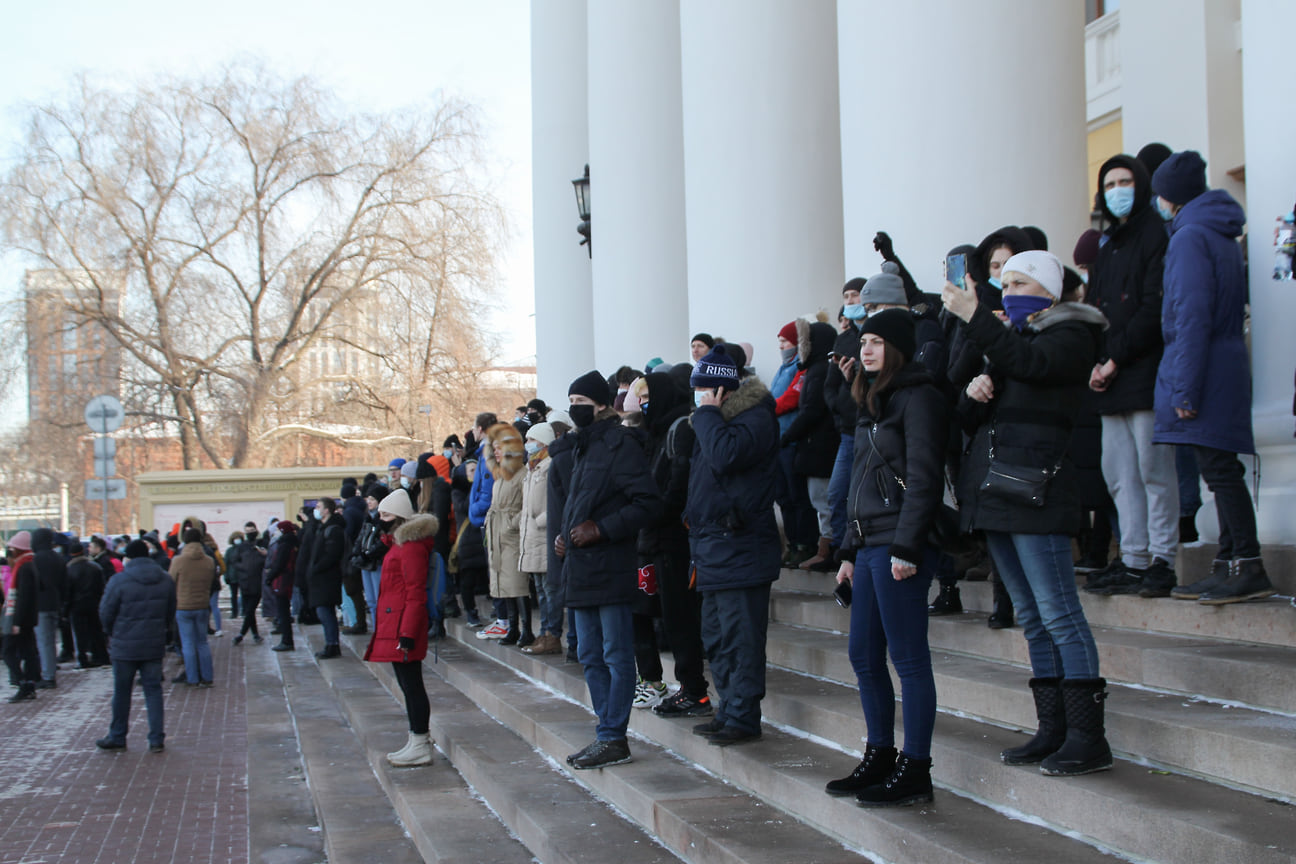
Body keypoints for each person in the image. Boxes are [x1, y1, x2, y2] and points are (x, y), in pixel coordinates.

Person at [943, 250, 1113, 776]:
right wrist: (976, 391)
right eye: (1005, 280)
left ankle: (1088, 736)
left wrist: (977, 321)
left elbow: (1034, 368)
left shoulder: (1070, 335)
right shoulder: (1013, 342)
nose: (1008, 289)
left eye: (1020, 281)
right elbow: (969, 411)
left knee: (1061, 614)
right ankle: (1054, 728)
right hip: (997, 494)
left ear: (1049, 292)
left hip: (1039, 494)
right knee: (1034, 619)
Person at [826, 309, 947, 806]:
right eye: (863, 342)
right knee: (863, 655)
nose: (866, 349)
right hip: (870, 544)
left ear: (896, 347)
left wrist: (907, 545)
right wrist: (849, 551)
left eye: (876, 341)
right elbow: (857, 482)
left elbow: (924, 477)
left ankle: (916, 766)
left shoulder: (919, 397)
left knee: (909, 659)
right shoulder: (870, 399)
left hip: (901, 544)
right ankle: (880, 754)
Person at [1151, 150, 1276, 604]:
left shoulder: (1189, 238)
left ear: (1169, 197)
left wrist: (1184, 389)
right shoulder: (1214, 232)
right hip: (1222, 363)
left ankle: (1247, 563)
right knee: (1219, 467)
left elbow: (1191, 316)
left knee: (1220, 471)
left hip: (1204, 369)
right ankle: (1227, 563)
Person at [557, 370, 663, 769]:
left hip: (612, 567)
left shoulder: (620, 443)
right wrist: (567, 535)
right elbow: (582, 503)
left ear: (601, 404)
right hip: (582, 568)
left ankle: (612, 735)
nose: (574, 409)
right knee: (589, 654)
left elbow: (648, 504)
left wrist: (600, 529)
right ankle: (607, 732)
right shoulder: (582, 446)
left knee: (617, 654)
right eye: (571, 402)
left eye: (581, 402)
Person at [1085, 153, 1179, 598]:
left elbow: (1151, 309)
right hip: (1109, 378)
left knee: (1153, 471)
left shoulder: (1155, 236)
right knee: (1119, 472)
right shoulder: (1108, 244)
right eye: (1109, 183)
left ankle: (1162, 558)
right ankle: (1134, 556)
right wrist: (1096, 362)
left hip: (1143, 373)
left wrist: (1114, 359)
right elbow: (1098, 310)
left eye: (1125, 181)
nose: (1117, 190)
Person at [685, 345, 781, 747]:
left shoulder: (754, 418)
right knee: (716, 637)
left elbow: (725, 457)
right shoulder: (714, 422)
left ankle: (743, 715)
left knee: (741, 638)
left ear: (723, 390)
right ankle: (727, 709)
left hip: (741, 547)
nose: (700, 397)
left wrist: (706, 415)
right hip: (712, 549)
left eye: (706, 390)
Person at [363, 488, 438, 766]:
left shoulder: (411, 547)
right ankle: (416, 739)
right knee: (408, 686)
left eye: (385, 514)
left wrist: (407, 632)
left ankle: (420, 742)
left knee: (412, 685)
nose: (379, 518)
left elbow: (415, 592)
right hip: (396, 623)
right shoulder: (398, 544)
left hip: (403, 627)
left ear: (399, 517)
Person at [96, 540, 177, 752]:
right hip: (153, 643)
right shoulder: (165, 579)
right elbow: (170, 611)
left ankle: (117, 735)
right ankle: (156, 738)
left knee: (122, 692)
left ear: (129, 557)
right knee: (153, 690)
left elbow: (106, 612)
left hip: (124, 644)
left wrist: (111, 632)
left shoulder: (119, 580)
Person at [781, 318, 841, 572]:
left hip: (819, 448)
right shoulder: (815, 370)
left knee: (823, 501)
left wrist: (786, 437)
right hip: (816, 446)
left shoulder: (819, 371)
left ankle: (828, 549)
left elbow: (811, 411)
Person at [483, 423, 533, 646]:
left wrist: (512, 523)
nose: (496, 452)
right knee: (503, 582)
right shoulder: (501, 475)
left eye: (499, 447)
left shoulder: (522, 473)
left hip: (511, 534)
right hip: (497, 532)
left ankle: (527, 629)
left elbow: (528, 504)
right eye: (493, 448)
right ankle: (513, 627)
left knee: (517, 583)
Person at [519, 422, 561, 655]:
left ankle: (551, 634)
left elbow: (553, 501)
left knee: (550, 589)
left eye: (532, 440)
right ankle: (544, 632)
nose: (528, 444)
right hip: (532, 537)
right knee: (541, 589)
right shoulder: (532, 468)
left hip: (544, 535)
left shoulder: (549, 466)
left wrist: (541, 520)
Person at [170, 529, 216, 687]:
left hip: (183, 606)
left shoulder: (178, 560)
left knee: (188, 643)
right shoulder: (209, 561)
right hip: (202, 604)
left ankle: (193, 678)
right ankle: (207, 676)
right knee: (202, 642)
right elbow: (211, 582)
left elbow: (171, 580)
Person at [3, 532, 40, 702]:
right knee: (28, 651)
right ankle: (29, 685)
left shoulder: (23, 567)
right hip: (27, 618)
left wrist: (16, 622)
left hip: (20, 619)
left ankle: (23, 684)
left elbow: (24, 597)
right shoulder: (28, 564)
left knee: (8, 651)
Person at [309, 497, 347, 659]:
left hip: (327, 577)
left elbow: (332, 554)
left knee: (326, 612)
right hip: (320, 578)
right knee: (323, 611)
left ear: (326, 510)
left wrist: (316, 569)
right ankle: (330, 643)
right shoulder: (322, 528)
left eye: (318, 507)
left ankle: (332, 644)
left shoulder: (333, 529)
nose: (315, 510)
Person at [29, 528, 67, 689]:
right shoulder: (57, 557)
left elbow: (33, 583)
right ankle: (49, 670)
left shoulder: (36, 559)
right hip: (55, 603)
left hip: (40, 605)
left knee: (44, 641)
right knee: (50, 640)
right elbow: (65, 582)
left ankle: (48, 675)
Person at [66, 541, 110, 667]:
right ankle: (102, 656)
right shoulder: (95, 567)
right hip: (94, 604)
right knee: (96, 631)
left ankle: (83, 658)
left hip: (77, 605)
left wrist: (65, 609)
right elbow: (102, 586)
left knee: (80, 634)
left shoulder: (69, 569)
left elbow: (68, 591)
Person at [266, 522, 299, 651]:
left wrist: (270, 577)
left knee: (283, 611)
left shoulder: (285, 545)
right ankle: (286, 639)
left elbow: (279, 564)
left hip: (282, 581)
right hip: (286, 579)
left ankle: (287, 641)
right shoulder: (292, 543)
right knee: (283, 610)